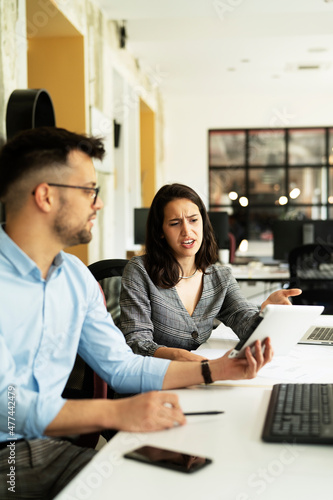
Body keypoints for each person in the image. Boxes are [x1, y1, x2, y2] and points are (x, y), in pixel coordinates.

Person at [0, 128, 272, 499]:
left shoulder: (75, 278)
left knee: (186, 482)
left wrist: (217, 370)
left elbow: (121, 366)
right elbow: (9, 407)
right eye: (89, 190)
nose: (97, 204)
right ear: (46, 196)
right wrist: (116, 414)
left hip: (47, 448)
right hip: (8, 462)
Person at [120, 183, 302, 361]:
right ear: (161, 231)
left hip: (199, 379)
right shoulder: (140, 271)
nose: (187, 231)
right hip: (155, 380)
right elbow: (137, 342)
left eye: (193, 220)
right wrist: (180, 357)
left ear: (203, 223)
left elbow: (245, 324)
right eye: (175, 223)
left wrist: (266, 312)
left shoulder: (220, 278)